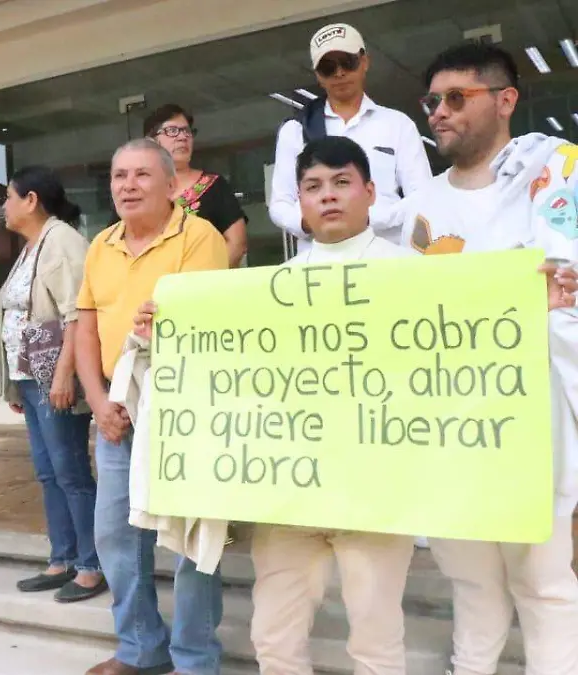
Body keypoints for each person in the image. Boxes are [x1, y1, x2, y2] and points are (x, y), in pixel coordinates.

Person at [401, 42, 578, 675]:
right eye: (431, 101)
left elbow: (567, 284)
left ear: (505, 100)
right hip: (450, 426)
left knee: (544, 580)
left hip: (534, 421)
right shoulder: (423, 206)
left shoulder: (555, 169)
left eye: (455, 98)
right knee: (470, 580)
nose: (438, 113)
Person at [254, 136, 416, 674]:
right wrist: (164, 333)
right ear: (298, 202)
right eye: (313, 187)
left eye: (342, 182)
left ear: (371, 192)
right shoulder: (269, 291)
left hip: (377, 494)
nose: (328, 197)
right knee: (273, 641)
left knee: (376, 642)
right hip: (290, 495)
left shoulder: (418, 277)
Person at [75, 138, 229, 675]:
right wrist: (98, 401)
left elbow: (209, 322)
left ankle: (195, 659)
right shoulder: (102, 245)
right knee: (116, 533)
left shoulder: (199, 237)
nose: (128, 185)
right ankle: (140, 649)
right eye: (119, 176)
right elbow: (86, 327)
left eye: (142, 175)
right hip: (118, 410)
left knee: (191, 540)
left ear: (171, 186)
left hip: (186, 407)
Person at [0, 165, 105, 603]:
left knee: (71, 471)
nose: (2, 206)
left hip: (52, 379)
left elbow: (78, 312)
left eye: (8, 197)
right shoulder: (31, 247)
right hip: (30, 379)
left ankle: (92, 565)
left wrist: (64, 373)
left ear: (31, 200)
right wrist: (13, 384)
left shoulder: (62, 241)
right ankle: (62, 558)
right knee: (48, 473)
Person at [269, 22, 432, 254]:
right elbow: (280, 203)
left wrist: (368, 218)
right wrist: (311, 222)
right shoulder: (296, 129)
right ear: (318, 75)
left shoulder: (398, 124)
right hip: (318, 262)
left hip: (385, 254)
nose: (339, 73)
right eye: (328, 67)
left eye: (348, 62)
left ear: (364, 62)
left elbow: (422, 195)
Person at [143, 104, 249, 267]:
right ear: (151, 142)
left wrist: (201, 284)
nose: (182, 137)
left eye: (187, 131)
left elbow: (237, 243)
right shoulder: (136, 191)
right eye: (172, 131)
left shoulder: (215, 186)